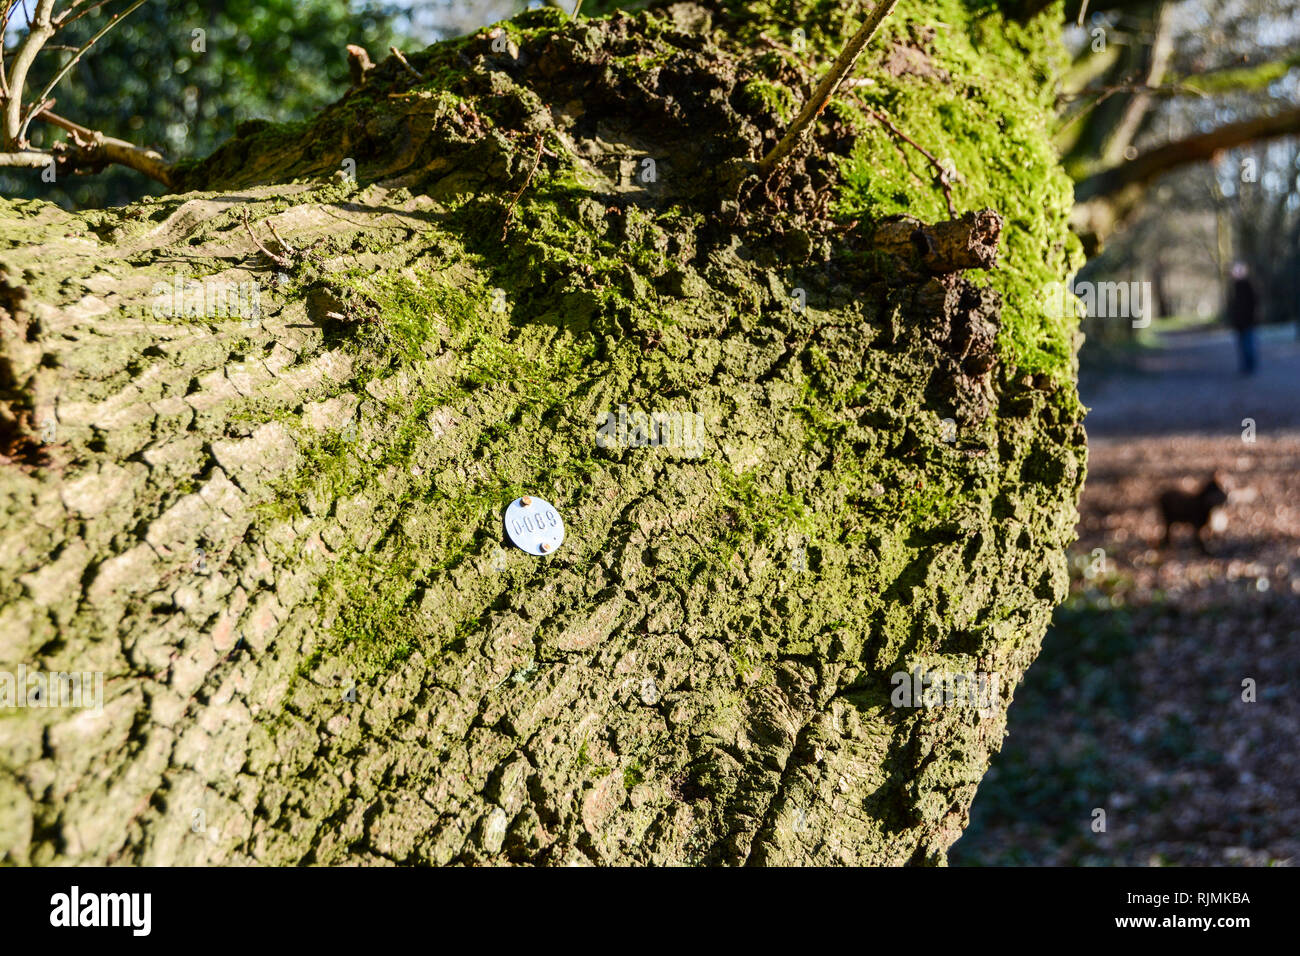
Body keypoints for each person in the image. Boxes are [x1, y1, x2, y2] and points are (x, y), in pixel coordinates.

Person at [1226, 262, 1259, 375]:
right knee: (1242, 345)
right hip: (1239, 322)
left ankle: (1250, 366)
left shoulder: (1248, 285)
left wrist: (1252, 317)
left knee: (1248, 344)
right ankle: (1245, 366)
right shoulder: (1234, 287)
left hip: (1248, 321)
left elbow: (1253, 304)